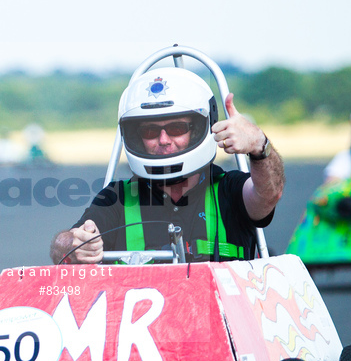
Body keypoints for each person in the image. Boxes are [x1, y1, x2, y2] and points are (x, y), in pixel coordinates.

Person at [49, 67, 285, 265]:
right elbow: (65, 246)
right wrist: (72, 243)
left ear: (196, 130)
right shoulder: (117, 198)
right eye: (150, 131)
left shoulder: (230, 189)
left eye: (176, 128)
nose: (163, 140)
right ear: (135, 136)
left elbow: (269, 194)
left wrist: (259, 146)